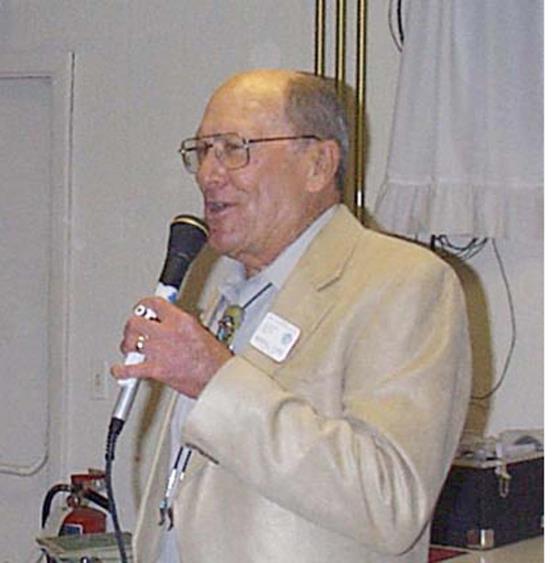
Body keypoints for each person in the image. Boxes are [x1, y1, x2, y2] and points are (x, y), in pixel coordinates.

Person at [112, 69, 471, 562]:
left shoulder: (404, 283)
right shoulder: (231, 298)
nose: (208, 174)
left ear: (318, 164)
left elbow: (390, 500)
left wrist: (213, 379)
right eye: (203, 150)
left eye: (234, 148)